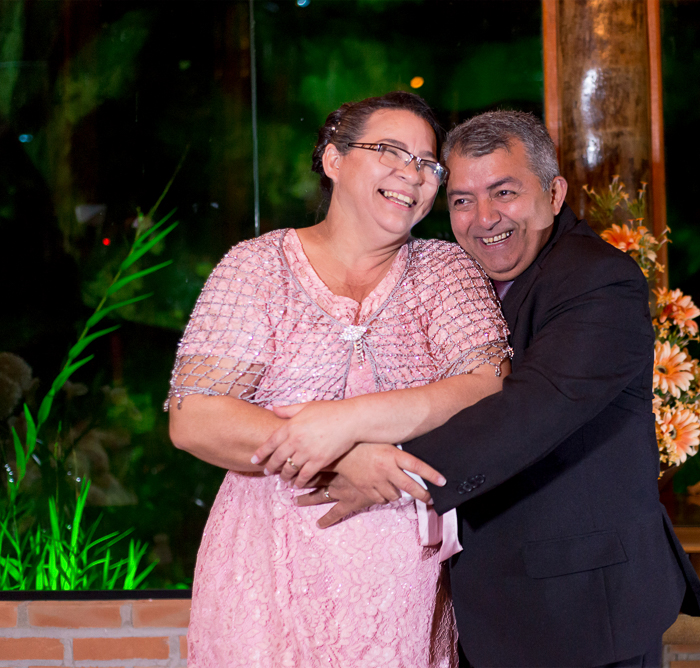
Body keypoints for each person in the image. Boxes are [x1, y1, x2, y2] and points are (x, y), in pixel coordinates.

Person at [300, 111, 700, 668]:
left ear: (553, 192)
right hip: (485, 607)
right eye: (463, 200)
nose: (484, 218)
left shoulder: (599, 279)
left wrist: (387, 470)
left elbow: (534, 407)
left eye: (504, 192)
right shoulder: (457, 285)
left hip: (580, 610)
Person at [166, 92, 512, 667]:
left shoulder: (445, 270)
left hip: (400, 580)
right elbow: (195, 417)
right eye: (390, 151)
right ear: (332, 159)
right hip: (264, 570)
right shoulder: (257, 267)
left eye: (428, 163)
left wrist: (343, 424)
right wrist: (346, 458)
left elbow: (484, 389)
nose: (413, 173)